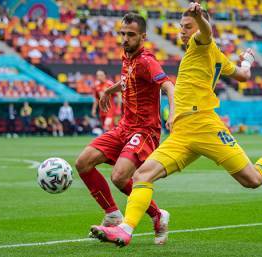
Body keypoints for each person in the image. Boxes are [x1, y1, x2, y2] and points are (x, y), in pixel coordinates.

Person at [93, 3, 262, 247]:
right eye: (181, 27)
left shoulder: (201, 43)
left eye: (188, 27)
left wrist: (200, 18)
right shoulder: (215, 54)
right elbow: (243, 76)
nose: (182, 32)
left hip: (206, 126)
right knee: (142, 175)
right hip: (182, 131)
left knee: (251, 179)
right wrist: (248, 60)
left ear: (199, 25)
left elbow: (206, 33)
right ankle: (125, 230)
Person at [77, 12, 175, 245]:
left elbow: (168, 85)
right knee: (83, 163)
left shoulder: (147, 61)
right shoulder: (127, 58)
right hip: (124, 128)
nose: (125, 39)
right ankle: (112, 214)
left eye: (130, 35)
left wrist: (173, 112)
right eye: (122, 33)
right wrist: (109, 91)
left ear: (143, 36)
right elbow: (126, 82)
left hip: (144, 131)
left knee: (120, 177)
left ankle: (157, 215)